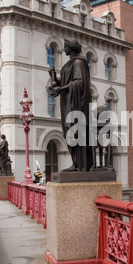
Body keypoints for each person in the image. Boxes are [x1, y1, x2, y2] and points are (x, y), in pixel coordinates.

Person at [49, 39, 93, 171]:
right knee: (69, 133)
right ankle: (76, 163)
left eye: (65, 47)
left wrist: (61, 89)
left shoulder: (79, 63)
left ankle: (81, 165)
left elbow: (79, 83)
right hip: (67, 103)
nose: (63, 49)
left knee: (75, 133)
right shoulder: (70, 64)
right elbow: (67, 83)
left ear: (71, 48)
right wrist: (55, 79)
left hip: (77, 105)